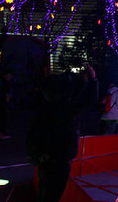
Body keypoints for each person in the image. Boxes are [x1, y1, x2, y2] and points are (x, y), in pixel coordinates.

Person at [27, 65, 98, 202]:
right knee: (53, 193)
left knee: (45, 191)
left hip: (46, 159)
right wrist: (92, 80)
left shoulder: (49, 107)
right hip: (58, 160)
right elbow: (87, 101)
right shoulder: (63, 109)